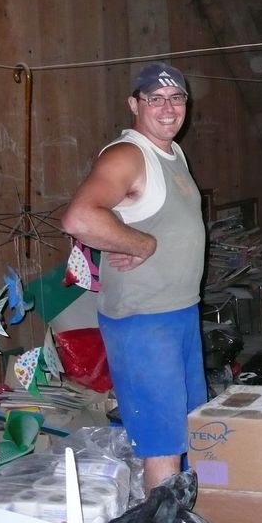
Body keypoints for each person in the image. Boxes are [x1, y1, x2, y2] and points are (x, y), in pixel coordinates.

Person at [61, 62, 207, 493]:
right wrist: (140, 244)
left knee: (188, 426)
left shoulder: (172, 152)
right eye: (154, 99)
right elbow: (79, 217)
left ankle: (181, 517)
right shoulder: (128, 154)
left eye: (176, 98)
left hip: (179, 312)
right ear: (134, 104)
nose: (168, 108)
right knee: (162, 442)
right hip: (144, 321)